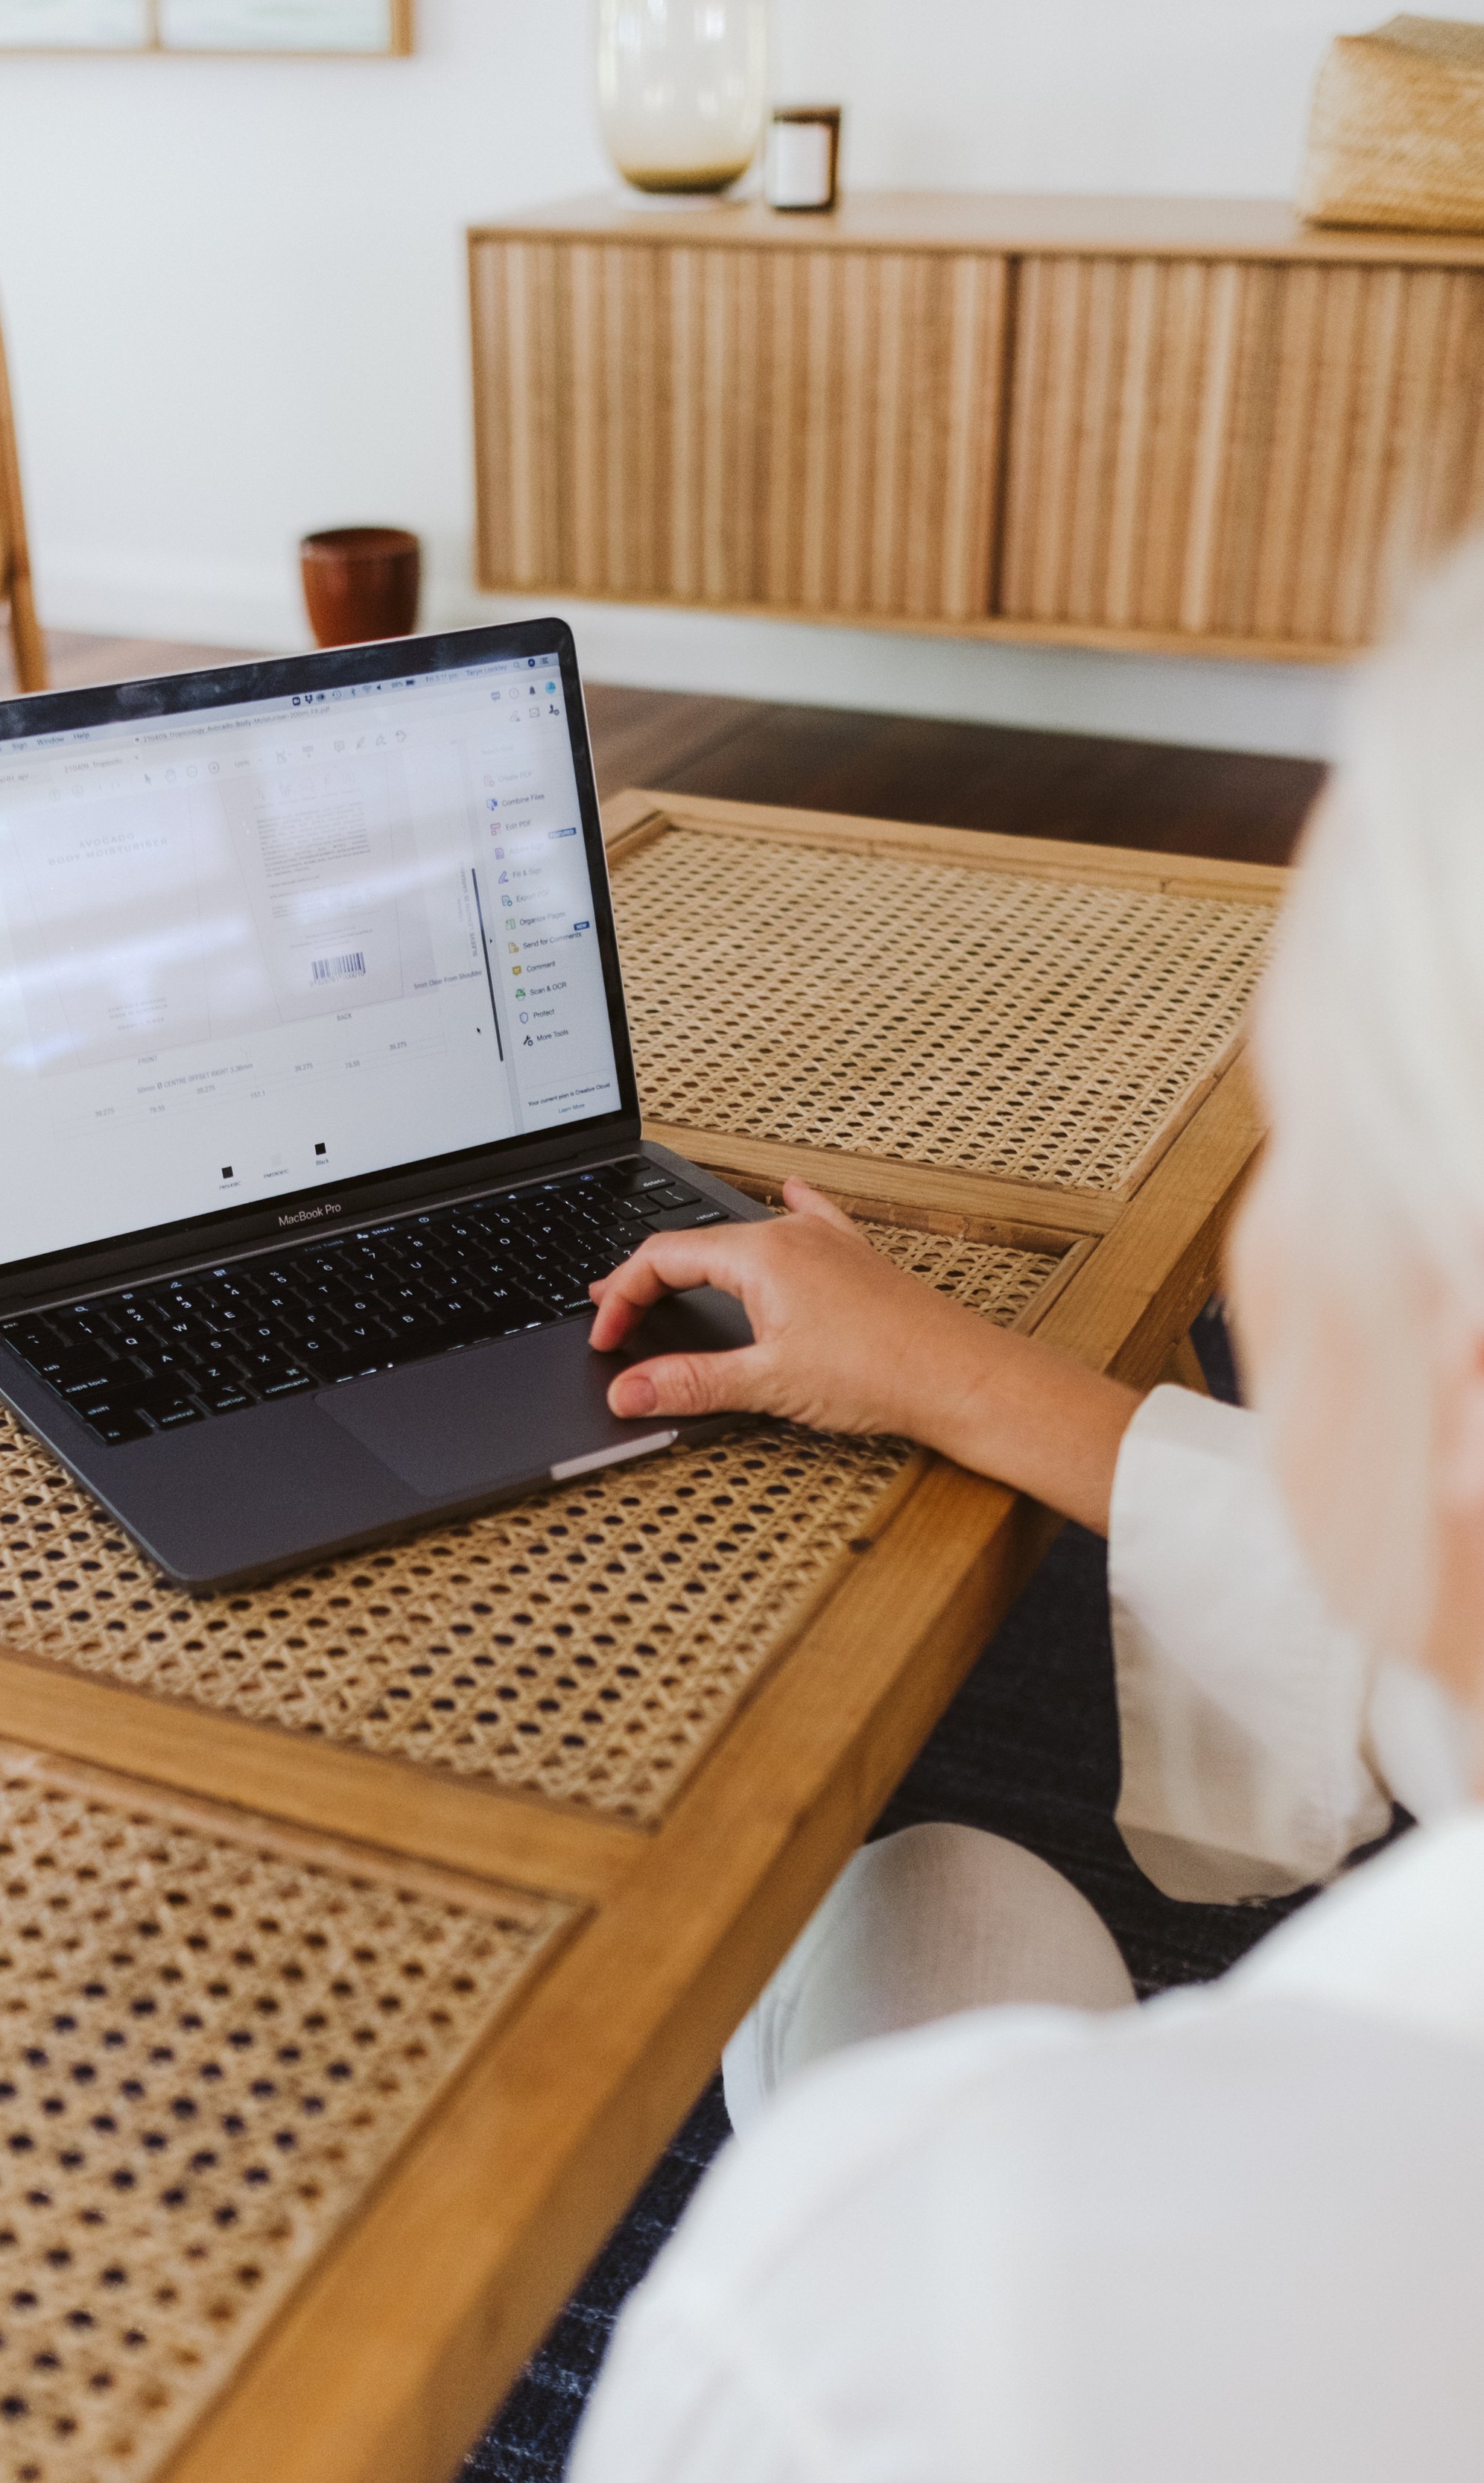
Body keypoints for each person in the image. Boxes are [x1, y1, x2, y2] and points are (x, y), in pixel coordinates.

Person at [566, 543, 1484, 2482]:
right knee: (944, 1896)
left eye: (1301, 1129)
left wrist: (872, 2216)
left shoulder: (934, 2330)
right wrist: (938, 1369)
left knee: (905, 1942)